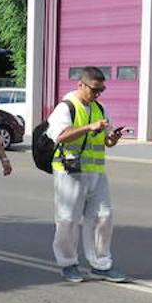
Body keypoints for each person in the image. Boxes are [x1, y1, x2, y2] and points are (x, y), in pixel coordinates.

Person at [46, 66, 127, 284]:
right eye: (94, 89)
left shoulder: (100, 108)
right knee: (68, 219)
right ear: (81, 85)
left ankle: (101, 264)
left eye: (101, 90)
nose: (98, 94)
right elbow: (60, 136)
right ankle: (68, 263)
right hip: (69, 171)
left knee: (104, 216)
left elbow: (107, 141)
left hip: (96, 172)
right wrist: (88, 127)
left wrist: (114, 137)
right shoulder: (66, 108)